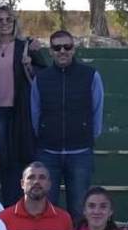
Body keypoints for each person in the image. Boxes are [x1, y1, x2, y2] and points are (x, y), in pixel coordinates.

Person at [31, 29, 105, 214]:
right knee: (46, 210)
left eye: (67, 46)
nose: (62, 51)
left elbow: (97, 109)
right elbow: (35, 111)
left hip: (80, 153)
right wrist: (44, 134)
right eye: (57, 47)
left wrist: (86, 134)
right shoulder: (41, 78)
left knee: (79, 210)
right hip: (48, 152)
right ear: (51, 51)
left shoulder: (91, 76)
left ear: (73, 49)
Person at [0, 6, 44, 205]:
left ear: (15, 22)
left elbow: (42, 75)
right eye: (0, 20)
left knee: (22, 155)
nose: (4, 24)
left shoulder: (25, 45)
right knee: (3, 158)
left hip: (20, 108)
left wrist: (30, 64)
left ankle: (23, 203)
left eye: (8, 19)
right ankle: (8, 205)